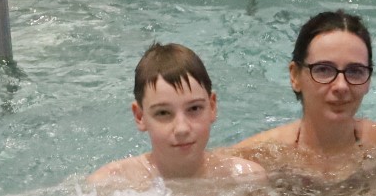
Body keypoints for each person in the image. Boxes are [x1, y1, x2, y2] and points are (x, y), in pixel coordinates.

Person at [233, 10, 376, 180]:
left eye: (355, 71)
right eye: (324, 70)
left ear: (368, 80)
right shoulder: (256, 158)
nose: (341, 86)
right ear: (295, 76)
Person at [88, 43, 264, 188]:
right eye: (163, 113)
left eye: (194, 108)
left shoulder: (247, 179)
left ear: (212, 107)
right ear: (140, 116)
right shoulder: (110, 185)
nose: (182, 128)